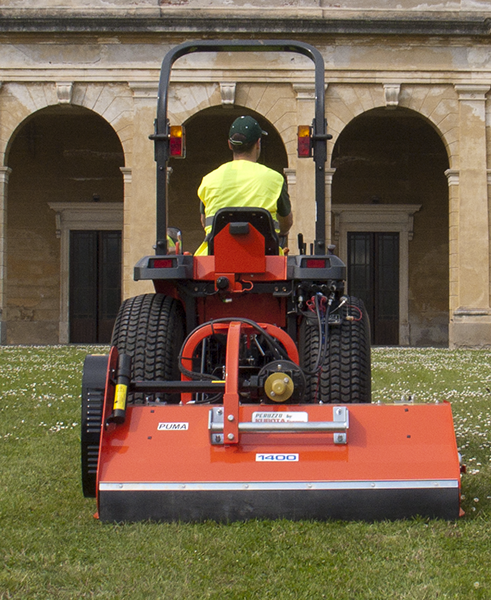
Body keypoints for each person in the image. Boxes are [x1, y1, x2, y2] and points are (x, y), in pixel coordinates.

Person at [195, 115, 293, 255]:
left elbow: (205, 222)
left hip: (215, 257)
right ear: (258, 143)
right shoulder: (275, 179)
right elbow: (286, 222)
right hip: (265, 257)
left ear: (230, 144)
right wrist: (282, 232)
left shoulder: (209, 180)